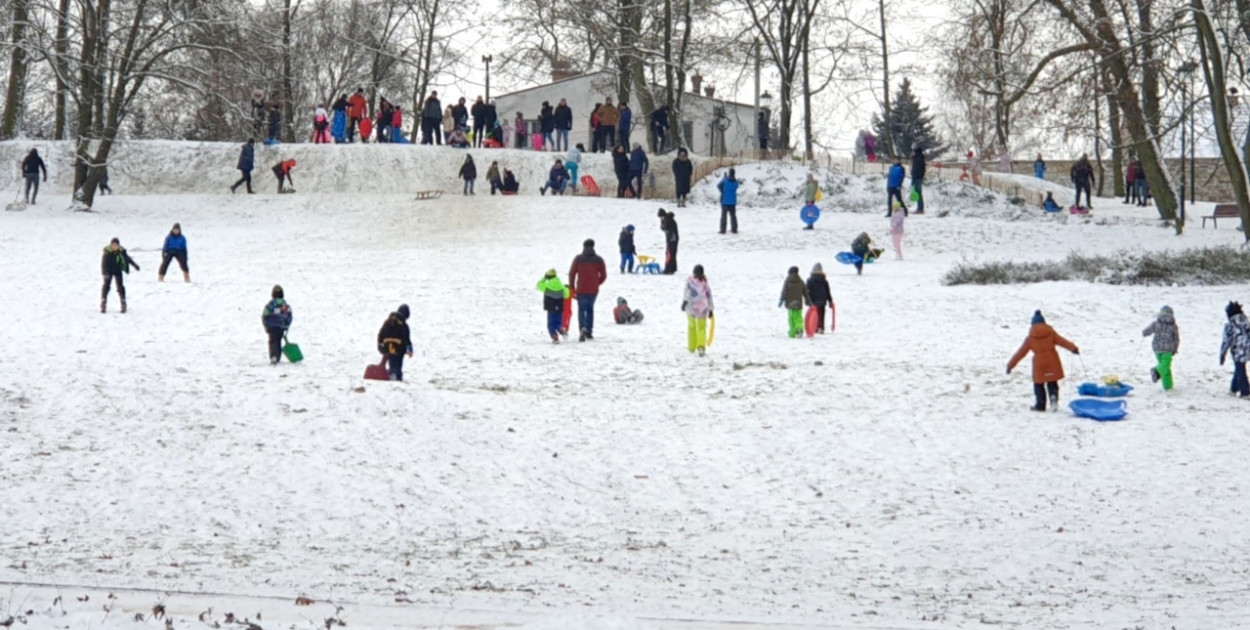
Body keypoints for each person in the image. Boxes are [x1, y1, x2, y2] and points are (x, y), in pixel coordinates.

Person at [1007, 310, 1080, 412]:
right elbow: (1062, 341)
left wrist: (1010, 365)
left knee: (1039, 384)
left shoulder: (1030, 338)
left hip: (1039, 364)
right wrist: (1073, 349)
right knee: (1052, 382)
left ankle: (1040, 405)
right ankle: (1053, 398)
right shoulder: (1051, 333)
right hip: (1052, 361)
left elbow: (1021, 353)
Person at [568, 239, 608, 342]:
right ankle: (589, 331)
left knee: (581, 309)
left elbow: (572, 274)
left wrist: (572, 287)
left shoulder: (578, 259)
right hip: (593, 290)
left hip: (581, 289)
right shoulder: (599, 259)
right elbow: (603, 275)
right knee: (590, 309)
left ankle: (582, 327)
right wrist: (596, 283)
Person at [1142, 305, 1179, 391]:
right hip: (1168, 349)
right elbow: (1176, 339)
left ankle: (1168, 386)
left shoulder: (1156, 323)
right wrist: (1175, 349)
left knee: (1166, 367)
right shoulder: (1173, 326)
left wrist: (1144, 333)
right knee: (1165, 365)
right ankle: (1156, 371)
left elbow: (1147, 330)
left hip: (1157, 348)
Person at [100, 237, 140, 314]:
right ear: (111, 245)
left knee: (120, 286)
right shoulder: (107, 253)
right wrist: (105, 273)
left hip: (117, 270)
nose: (115, 247)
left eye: (116, 245)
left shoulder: (121, 252)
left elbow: (128, 259)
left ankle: (123, 302)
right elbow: (103, 264)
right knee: (106, 286)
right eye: (113, 245)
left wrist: (135, 265)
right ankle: (103, 302)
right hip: (109, 270)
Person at [1220, 301, 1250, 398]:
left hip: (1237, 350)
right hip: (1248, 349)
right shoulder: (1246, 321)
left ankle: (1245, 392)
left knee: (1241, 370)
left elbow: (1226, 341)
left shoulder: (1230, 325)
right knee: (1240, 368)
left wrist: (1222, 354)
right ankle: (1233, 388)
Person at [682, 265, 714, 355]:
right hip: (691, 306)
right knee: (691, 326)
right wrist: (684, 302)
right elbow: (687, 291)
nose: (696, 276)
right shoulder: (690, 280)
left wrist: (711, 309)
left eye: (698, 274)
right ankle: (691, 346)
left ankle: (701, 346)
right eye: (695, 274)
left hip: (702, 308)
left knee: (701, 328)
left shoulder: (704, 282)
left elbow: (709, 295)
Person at [377, 304, 414, 380]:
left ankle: (392, 373)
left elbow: (381, 333)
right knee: (398, 364)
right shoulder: (404, 325)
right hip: (399, 348)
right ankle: (396, 376)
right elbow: (407, 339)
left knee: (392, 362)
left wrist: (379, 344)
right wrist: (410, 350)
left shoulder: (388, 321)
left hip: (388, 347)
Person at [261, 285, 293, 365]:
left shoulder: (271, 304)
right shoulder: (285, 305)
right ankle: (277, 356)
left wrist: (266, 324)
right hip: (281, 327)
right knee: (278, 341)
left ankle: (273, 356)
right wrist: (287, 325)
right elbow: (289, 316)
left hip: (271, 326)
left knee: (272, 342)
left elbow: (265, 314)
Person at [537, 270, 571, 343]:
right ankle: (562, 329)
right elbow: (567, 295)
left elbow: (538, 284)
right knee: (558, 323)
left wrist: (544, 278)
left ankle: (555, 337)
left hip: (550, 308)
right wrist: (567, 288)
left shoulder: (547, 286)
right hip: (560, 307)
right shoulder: (561, 286)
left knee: (551, 325)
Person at [778, 266, 811, 339]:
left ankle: (792, 333)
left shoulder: (787, 281)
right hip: (798, 302)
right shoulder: (801, 281)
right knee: (798, 317)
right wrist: (808, 301)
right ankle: (799, 328)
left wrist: (781, 300)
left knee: (791, 318)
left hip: (790, 303)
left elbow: (784, 292)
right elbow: (805, 292)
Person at [806, 263, 832, 333]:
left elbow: (807, 291)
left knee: (814, 315)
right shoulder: (824, 281)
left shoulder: (809, 280)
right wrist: (830, 301)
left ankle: (814, 327)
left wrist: (807, 300)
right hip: (822, 300)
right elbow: (827, 291)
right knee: (821, 314)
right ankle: (820, 327)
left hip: (813, 300)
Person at [717, 169, 741, 234]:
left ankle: (722, 230)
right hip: (733, 201)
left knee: (723, 216)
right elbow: (736, 186)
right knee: (733, 216)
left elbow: (718, 186)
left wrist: (724, 179)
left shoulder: (725, 180)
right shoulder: (736, 182)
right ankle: (734, 229)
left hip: (724, 201)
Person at [660, 209, 679, 274]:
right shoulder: (666, 220)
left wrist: (668, 239)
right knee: (671, 254)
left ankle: (668, 268)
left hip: (672, 240)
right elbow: (663, 228)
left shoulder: (669, 221)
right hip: (671, 240)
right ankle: (672, 268)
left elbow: (669, 230)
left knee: (670, 254)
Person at [911, 146, 926, 214]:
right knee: (918, 193)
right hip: (918, 177)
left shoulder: (918, 159)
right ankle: (919, 208)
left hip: (917, 178)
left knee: (918, 193)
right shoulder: (921, 159)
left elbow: (916, 170)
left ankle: (920, 208)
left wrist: (914, 176)